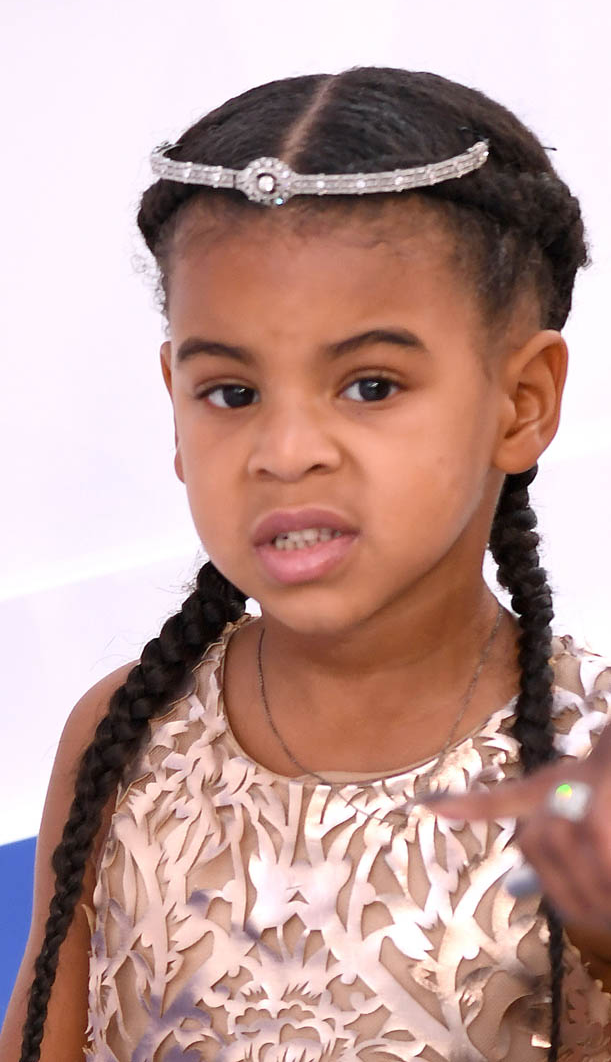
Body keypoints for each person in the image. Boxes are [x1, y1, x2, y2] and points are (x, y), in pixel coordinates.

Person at [2, 66, 611, 1062]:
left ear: (521, 402)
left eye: (369, 385)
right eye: (231, 392)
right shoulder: (121, 735)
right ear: (173, 401)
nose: (285, 452)